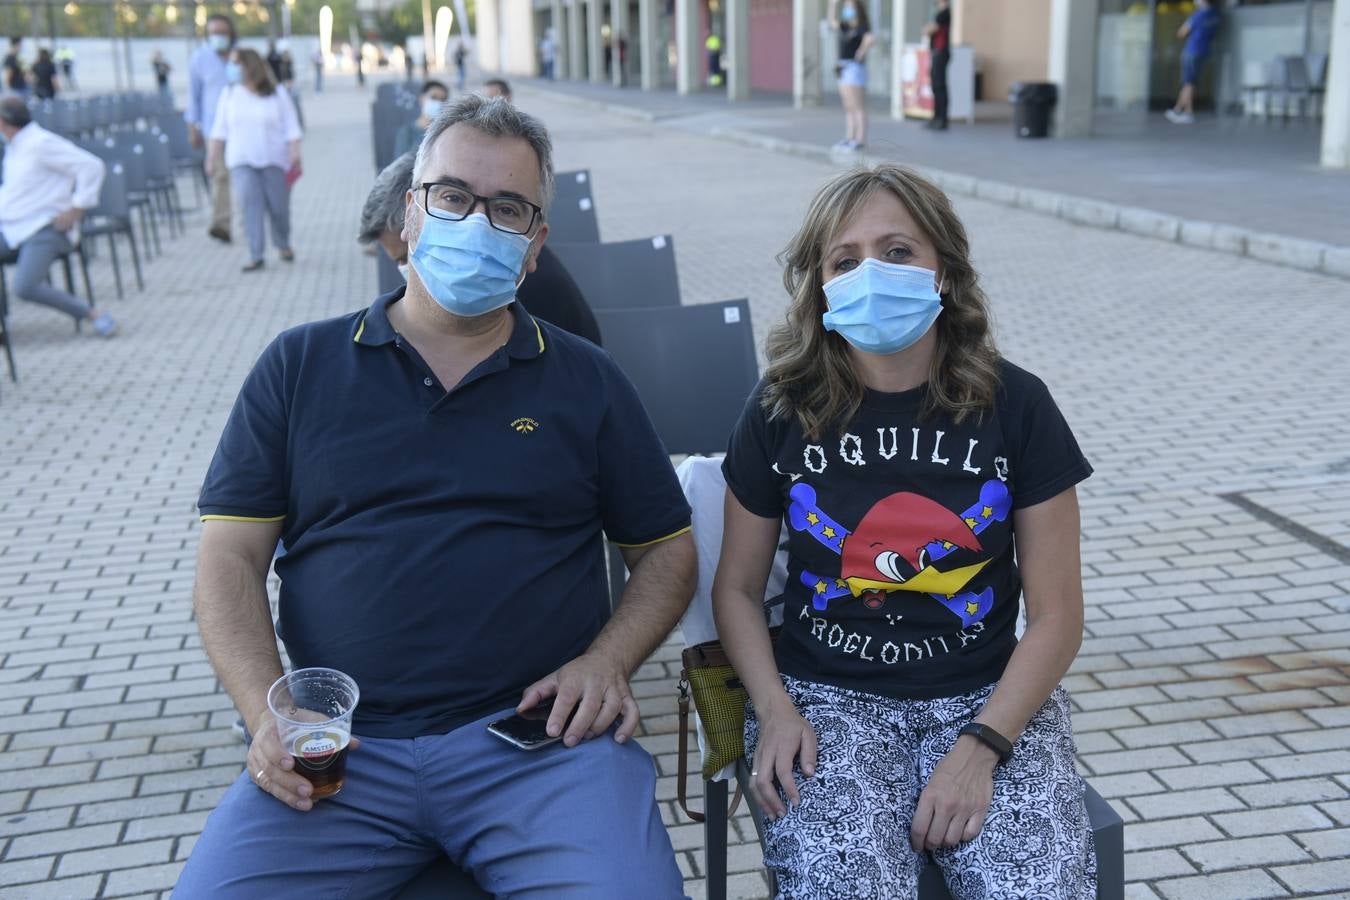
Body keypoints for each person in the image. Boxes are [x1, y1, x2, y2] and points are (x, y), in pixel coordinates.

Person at [173, 93, 694, 899]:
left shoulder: (587, 380)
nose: (477, 222)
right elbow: (229, 559)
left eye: (508, 208)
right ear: (409, 214)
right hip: (338, 757)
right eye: (453, 196)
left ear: (535, 245)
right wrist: (265, 714)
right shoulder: (299, 365)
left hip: (539, 748)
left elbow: (665, 548)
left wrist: (608, 661)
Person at [713, 163, 1096, 897]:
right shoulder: (779, 407)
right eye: (844, 260)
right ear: (820, 285)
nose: (871, 273)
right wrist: (774, 709)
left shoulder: (1017, 404)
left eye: (897, 251)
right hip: (828, 701)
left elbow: (1057, 615)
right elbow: (735, 588)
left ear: (944, 273)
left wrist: (982, 747)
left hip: (984, 694)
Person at [358, 150, 601, 345]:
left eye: (404, 256)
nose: (405, 268)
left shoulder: (493, 286)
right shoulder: (498, 259)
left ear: (419, 216)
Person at [0, 97, 117, 338]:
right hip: (13, 227)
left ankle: (92, 314)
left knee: (25, 286)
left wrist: (77, 209)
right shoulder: (15, 147)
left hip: (47, 229)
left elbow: (91, 166)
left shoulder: (41, 143)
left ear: (4, 122)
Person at [207, 48, 302, 272]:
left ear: (249, 66)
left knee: (279, 208)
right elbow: (218, 131)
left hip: (274, 160)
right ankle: (255, 253)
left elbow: (291, 126)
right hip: (241, 160)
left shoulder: (276, 93)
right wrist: (212, 157)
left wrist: (295, 151)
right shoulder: (229, 94)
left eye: (235, 63)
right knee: (249, 206)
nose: (230, 68)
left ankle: (283, 243)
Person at [187, 13, 237, 244]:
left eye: (222, 32)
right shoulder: (199, 58)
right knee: (219, 176)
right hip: (213, 129)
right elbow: (193, 96)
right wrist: (192, 128)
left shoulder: (241, 56)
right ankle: (221, 224)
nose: (218, 37)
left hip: (242, 127)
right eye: (213, 33)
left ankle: (251, 225)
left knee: (245, 177)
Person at [1166, 0, 1221, 125]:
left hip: (1192, 51)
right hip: (1204, 51)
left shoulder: (1198, 15)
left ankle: (1188, 112)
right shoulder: (1215, 15)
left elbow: (1182, 32)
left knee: (1188, 82)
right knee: (1190, 82)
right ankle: (1177, 109)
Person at [829, 0, 874, 150]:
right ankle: (849, 138)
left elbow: (870, 38)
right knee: (848, 106)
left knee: (857, 105)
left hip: (854, 68)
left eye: (850, 7)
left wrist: (862, 50)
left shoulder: (862, 27)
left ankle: (860, 140)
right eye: (846, 7)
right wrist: (833, 5)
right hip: (843, 67)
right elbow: (832, 22)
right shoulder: (846, 26)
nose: (847, 9)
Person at [393, 79, 449, 158]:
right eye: (434, 97)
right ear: (422, 99)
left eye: (443, 100)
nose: (438, 103)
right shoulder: (406, 132)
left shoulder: (445, 133)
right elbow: (400, 166)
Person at [924, 0, 952, 130]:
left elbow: (930, 29)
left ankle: (942, 118)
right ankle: (936, 117)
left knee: (940, 86)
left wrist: (928, 28)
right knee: (936, 86)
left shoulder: (944, 13)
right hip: (937, 52)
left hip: (941, 52)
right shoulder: (940, 13)